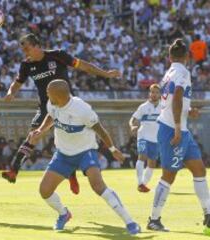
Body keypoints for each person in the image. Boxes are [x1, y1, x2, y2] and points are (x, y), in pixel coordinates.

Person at [2, 33, 121, 195]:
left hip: (67, 106)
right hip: (46, 107)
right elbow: (17, 82)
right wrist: (11, 93)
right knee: (33, 135)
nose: (25, 53)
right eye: (23, 50)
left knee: (66, 141)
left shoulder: (57, 56)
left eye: (27, 49)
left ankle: (71, 175)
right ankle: (14, 170)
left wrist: (106, 74)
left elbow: (84, 66)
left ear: (37, 46)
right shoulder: (26, 65)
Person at [29, 80, 140, 234]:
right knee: (44, 191)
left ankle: (130, 222)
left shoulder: (82, 110)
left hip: (85, 152)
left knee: (98, 186)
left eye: (49, 92)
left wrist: (113, 149)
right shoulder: (52, 103)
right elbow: (51, 115)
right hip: (63, 154)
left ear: (58, 95)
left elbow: (101, 131)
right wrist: (41, 130)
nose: (46, 95)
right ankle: (64, 214)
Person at [146, 39, 210, 235]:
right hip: (173, 129)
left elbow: (176, 99)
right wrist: (176, 126)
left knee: (199, 169)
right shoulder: (182, 72)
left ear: (169, 56)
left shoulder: (169, 73)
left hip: (181, 128)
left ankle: (208, 214)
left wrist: (188, 110)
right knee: (169, 176)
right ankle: (154, 219)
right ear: (187, 57)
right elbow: (177, 97)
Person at [129, 84, 161, 192]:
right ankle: (139, 182)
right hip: (143, 136)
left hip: (156, 139)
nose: (154, 94)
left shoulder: (164, 107)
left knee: (152, 163)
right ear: (149, 93)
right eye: (152, 92)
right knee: (142, 156)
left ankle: (143, 184)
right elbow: (133, 119)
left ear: (160, 94)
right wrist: (132, 126)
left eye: (156, 92)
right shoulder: (143, 107)